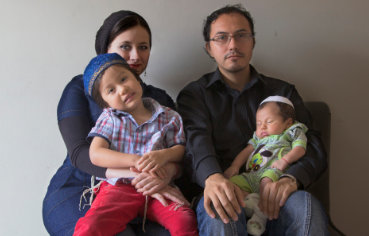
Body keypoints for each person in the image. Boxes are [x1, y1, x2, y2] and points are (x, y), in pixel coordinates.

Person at [176, 4, 329, 236]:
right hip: (225, 188)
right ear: (209, 47)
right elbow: (196, 141)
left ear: (253, 42)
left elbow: (314, 145)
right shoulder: (195, 95)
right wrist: (213, 177)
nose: (233, 45)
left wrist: (291, 179)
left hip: (277, 191)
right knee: (220, 211)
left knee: (306, 206)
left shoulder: (283, 93)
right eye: (222, 38)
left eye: (241, 35)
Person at [43, 10, 182, 236]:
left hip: (145, 193)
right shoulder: (78, 89)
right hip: (82, 189)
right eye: (126, 46)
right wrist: (138, 173)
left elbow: (179, 152)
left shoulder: (161, 100)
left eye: (143, 47)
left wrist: (168, 173)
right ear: (105, 49)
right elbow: (79, 153)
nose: (136, 55)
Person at [72, 53, 198, 236]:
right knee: (92, 226)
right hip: (119, 188)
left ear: (136, 78)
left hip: (157, 186)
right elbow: (96, 153)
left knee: (184, 219)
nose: (122, 89)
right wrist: (135, 160)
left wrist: (164, 155)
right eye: (111, 90)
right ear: (105, 103)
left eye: (124, 79)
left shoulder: (169, 116)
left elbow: (181, 151)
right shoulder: (110, 118)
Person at [225, 96, 308, 235]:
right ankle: (250, 202)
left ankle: (259, 219)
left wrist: (285, 161)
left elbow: (300, 149)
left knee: (266, 182)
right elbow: (246, 151)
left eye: (269, 122)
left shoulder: (291, 132)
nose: (262, 126)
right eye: (258, 123)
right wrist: (234, 166)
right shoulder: (258, 138)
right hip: (251, 174)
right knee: (230, 185)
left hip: (273, 171)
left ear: (287, 123)